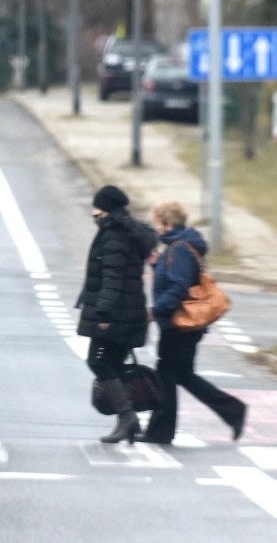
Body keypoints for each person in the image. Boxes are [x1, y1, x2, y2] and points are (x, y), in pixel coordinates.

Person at [135, 201, 247, 444]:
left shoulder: (180, 248)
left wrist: (156, 310)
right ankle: (233, 410)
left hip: (179, 324)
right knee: (183, 374)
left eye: (158, 224)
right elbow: (177, 276)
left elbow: (179, 286)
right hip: (183, 324)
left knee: (165, 374)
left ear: (168, 223)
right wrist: (157, 264)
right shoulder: (180, 246)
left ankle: (160, 432)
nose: (157, 230)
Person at [76, 185, 157, 444]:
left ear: (107, 209)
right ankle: (128, 422)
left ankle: (127, 417)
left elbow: (113, 277)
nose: (93, 211)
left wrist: (103, 313)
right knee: (113, 364)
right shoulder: (127, 231)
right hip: (129, 313)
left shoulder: (114, 236)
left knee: (98, 361)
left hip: (117, 314)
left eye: (97, 207)